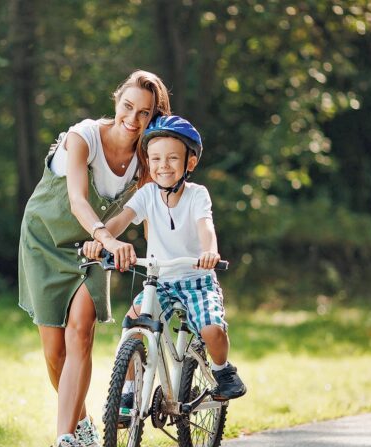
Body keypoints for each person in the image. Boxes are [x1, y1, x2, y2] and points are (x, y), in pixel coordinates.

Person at [18, 70, 171, 447]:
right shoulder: (81, 137)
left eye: (144, 113)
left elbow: (147, 210)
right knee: (54, 352)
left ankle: (64, 443)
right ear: (117, 99)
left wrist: (158, 260)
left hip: (92, 249)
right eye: (128, 107)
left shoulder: (146, 160)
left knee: (81, 333)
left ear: (154, 117)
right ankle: (82, 426)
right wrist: (107, 237)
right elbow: (76, 201)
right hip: (45, 240)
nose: (133, 119)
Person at [82, 115, 247, 403]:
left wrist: (210, 252)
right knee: (134, 325)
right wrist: (100, 239)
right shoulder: (146, 194)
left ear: (189, 163)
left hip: (196, 279)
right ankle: (131, 393)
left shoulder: (197, 195)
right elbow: (120, 221)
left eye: (172, 158)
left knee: (212, 329)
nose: (163, 166)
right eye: (156, 159)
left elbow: (205, 226)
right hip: (159, 281)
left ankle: (222, 370)